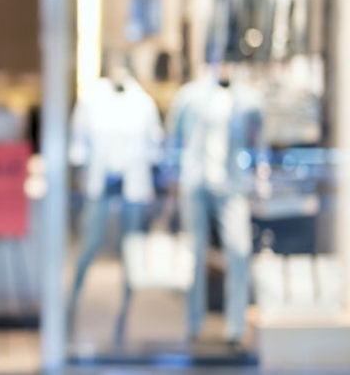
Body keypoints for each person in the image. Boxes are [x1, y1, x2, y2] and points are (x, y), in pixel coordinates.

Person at [167, 62, 267, 345]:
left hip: (231, 184)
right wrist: (171, 179)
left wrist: (260, 176)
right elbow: (174, 138)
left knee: (239, 249)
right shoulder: (190, 96)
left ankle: (236, 326)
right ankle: (193, 323)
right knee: (194, 253)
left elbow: (258, 140)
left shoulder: (248, 99)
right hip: (195, 183)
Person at [67, 53, 164, 342]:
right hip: (100, 183)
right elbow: (79, 144)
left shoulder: (142, 102)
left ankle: (125, 312)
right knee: (90, 244)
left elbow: (154, 147)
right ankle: (71, 303)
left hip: (132, 186)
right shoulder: (92, 99)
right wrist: (79, 177)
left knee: (129, 251)